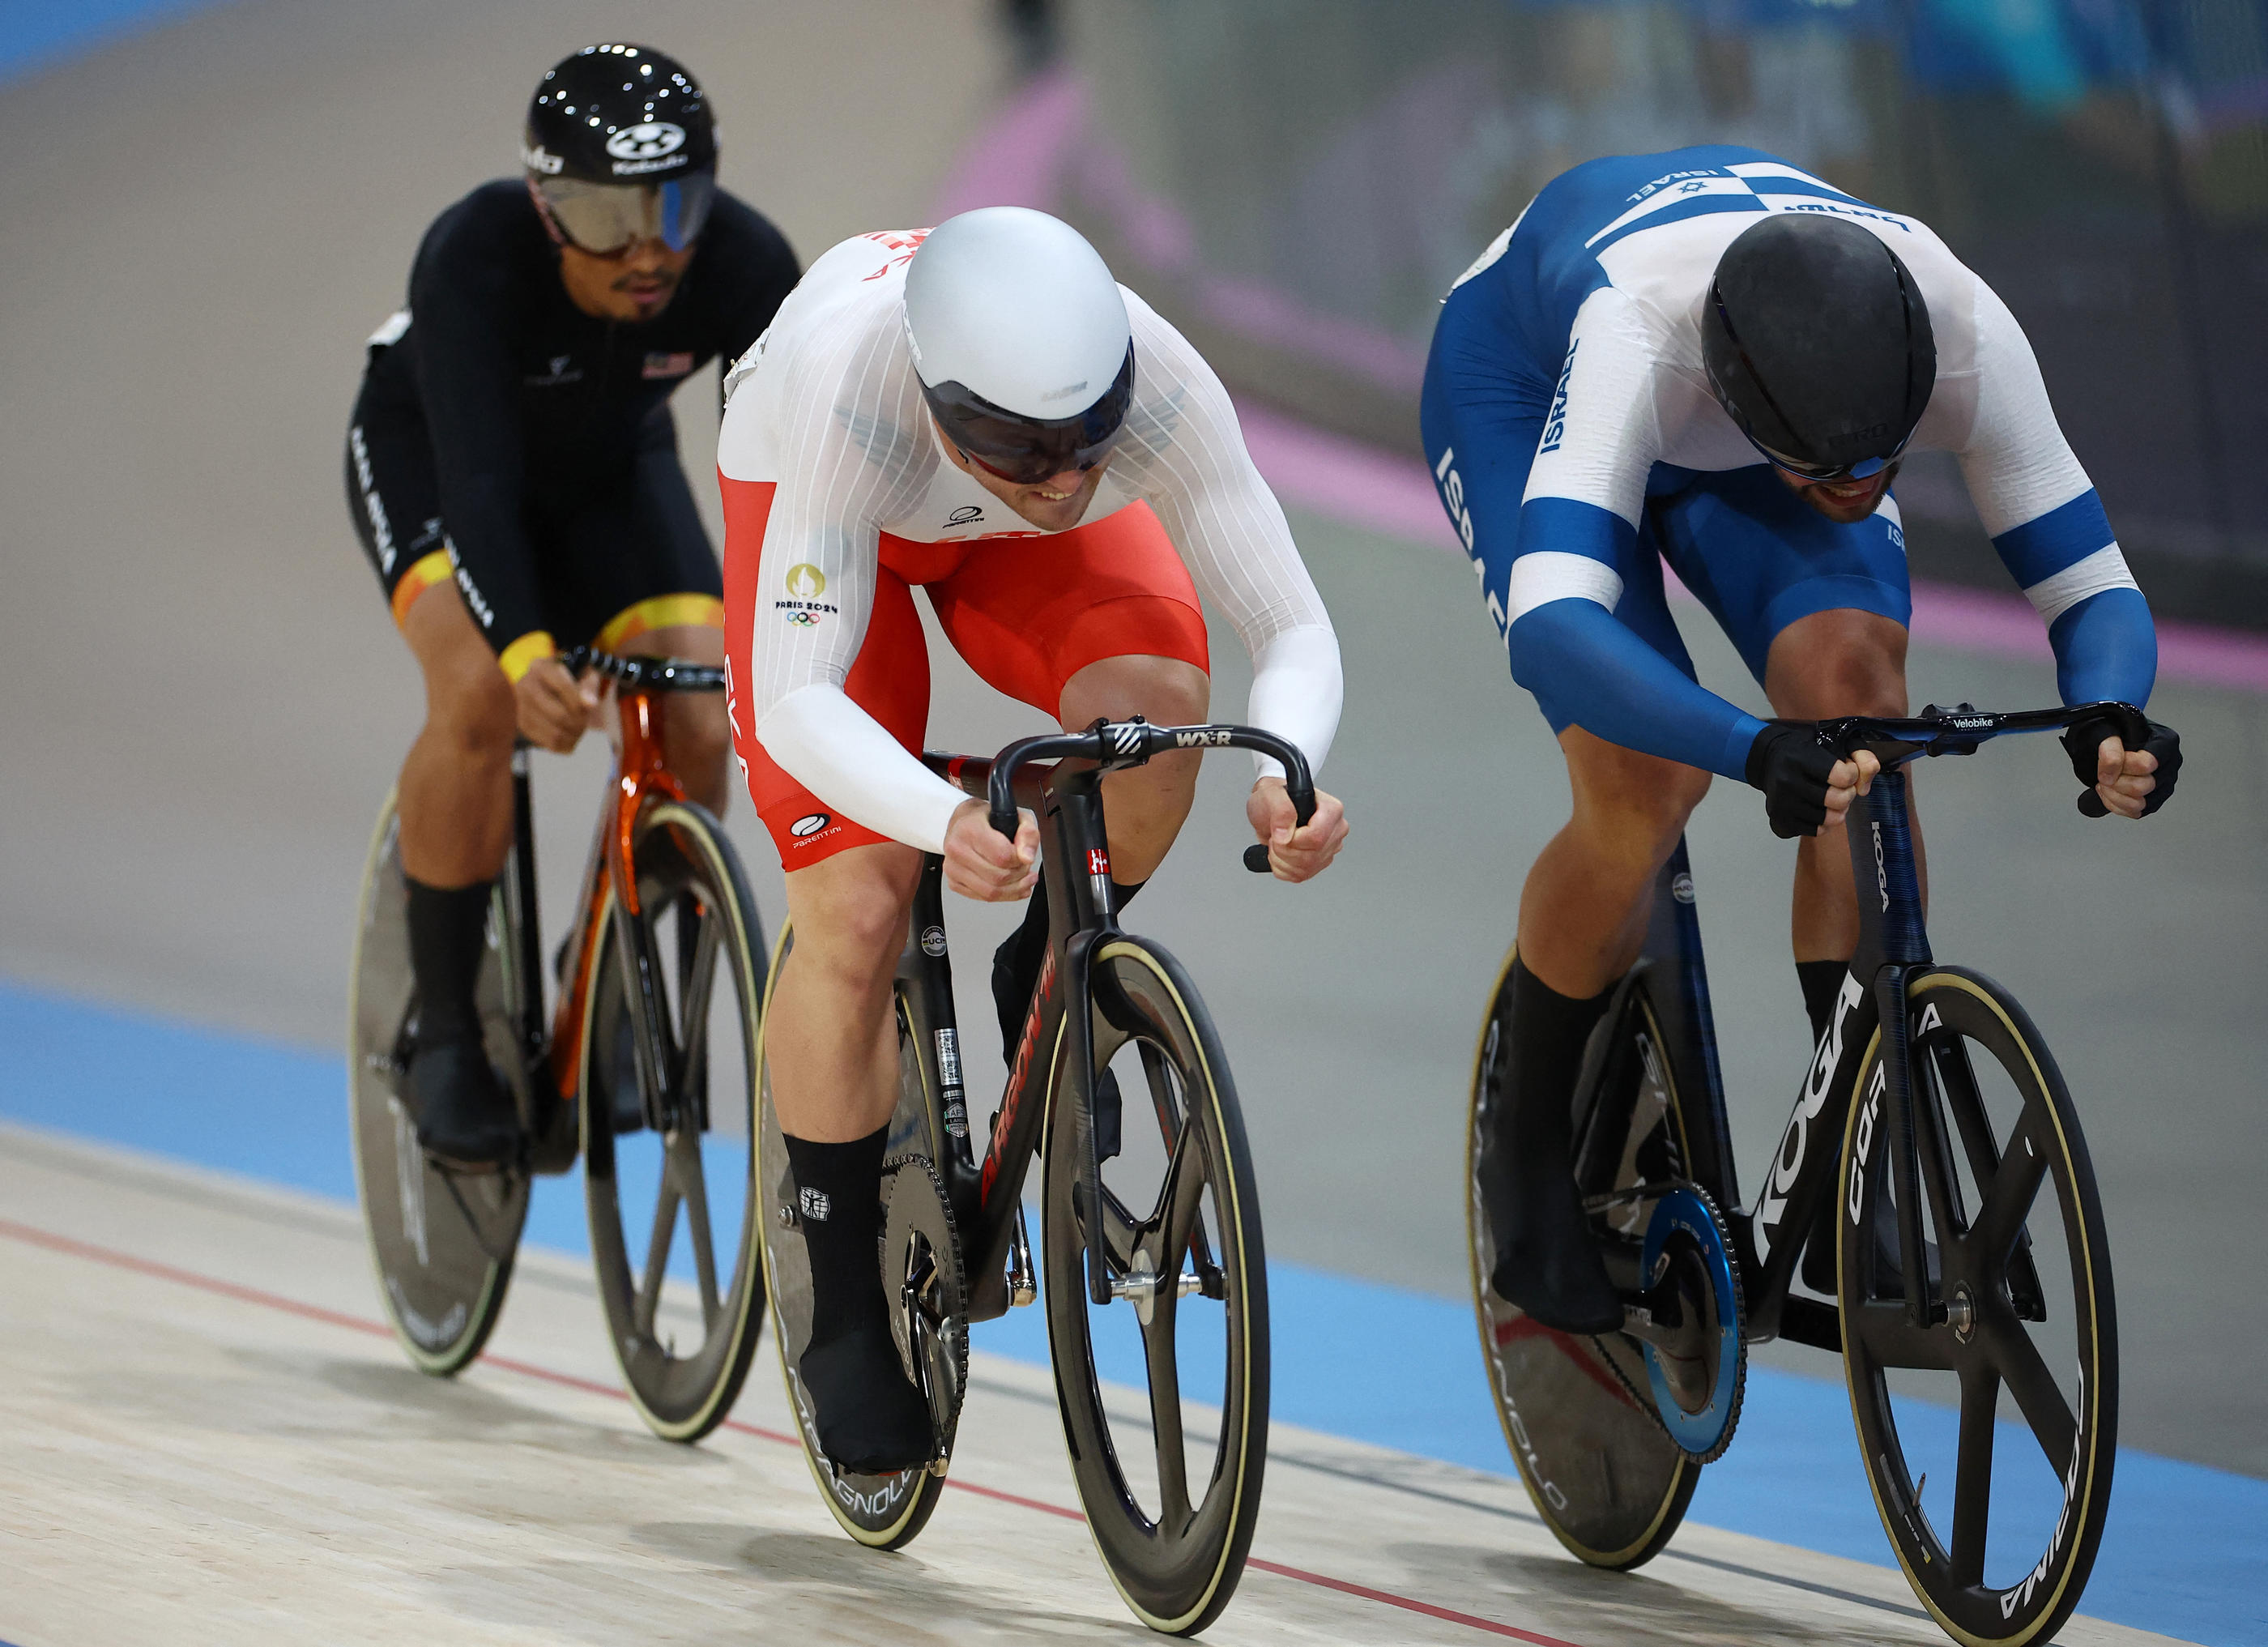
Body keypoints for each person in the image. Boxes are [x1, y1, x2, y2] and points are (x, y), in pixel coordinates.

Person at [1421, 145, 2182, 1333]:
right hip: (1526, 377)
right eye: (1832, 469)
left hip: (1760, 398)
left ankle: (1852, 1146)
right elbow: (1555, 630)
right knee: (1645, 777)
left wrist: (2109, 708)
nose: (1864, 481)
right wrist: (1742, 744)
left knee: (1858, 697)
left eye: (1884, 458)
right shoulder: (1635, 338)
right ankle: (1525, 1160)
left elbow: (2091, 584)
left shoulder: (1958, 322)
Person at [718, 207, 1350, 1473]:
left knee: (1161, 717)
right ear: (941, 396)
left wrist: (1292, 772)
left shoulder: (1155, 372)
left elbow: (1291, 627)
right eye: (1019, 443)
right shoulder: (851, 392)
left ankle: (1048, 962)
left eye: (1085, 439)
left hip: (1008, 554)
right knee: (853, 906)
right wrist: (939, 816)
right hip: (834, 523)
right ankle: (837, 1299)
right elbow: (799, 697)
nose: (1063, 476)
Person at [346, 44, 799, 1168]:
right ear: (548, 209)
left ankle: (609, 972)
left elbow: (787, 485)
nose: (647, 250)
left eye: (675, 205)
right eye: (605, 217)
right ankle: (445, 1034)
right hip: (438, 461)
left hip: (613, 471)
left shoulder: (746, 266)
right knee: (478, 701)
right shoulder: (473, 255)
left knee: (699, 718)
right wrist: (523, 648)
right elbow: (481, 485)